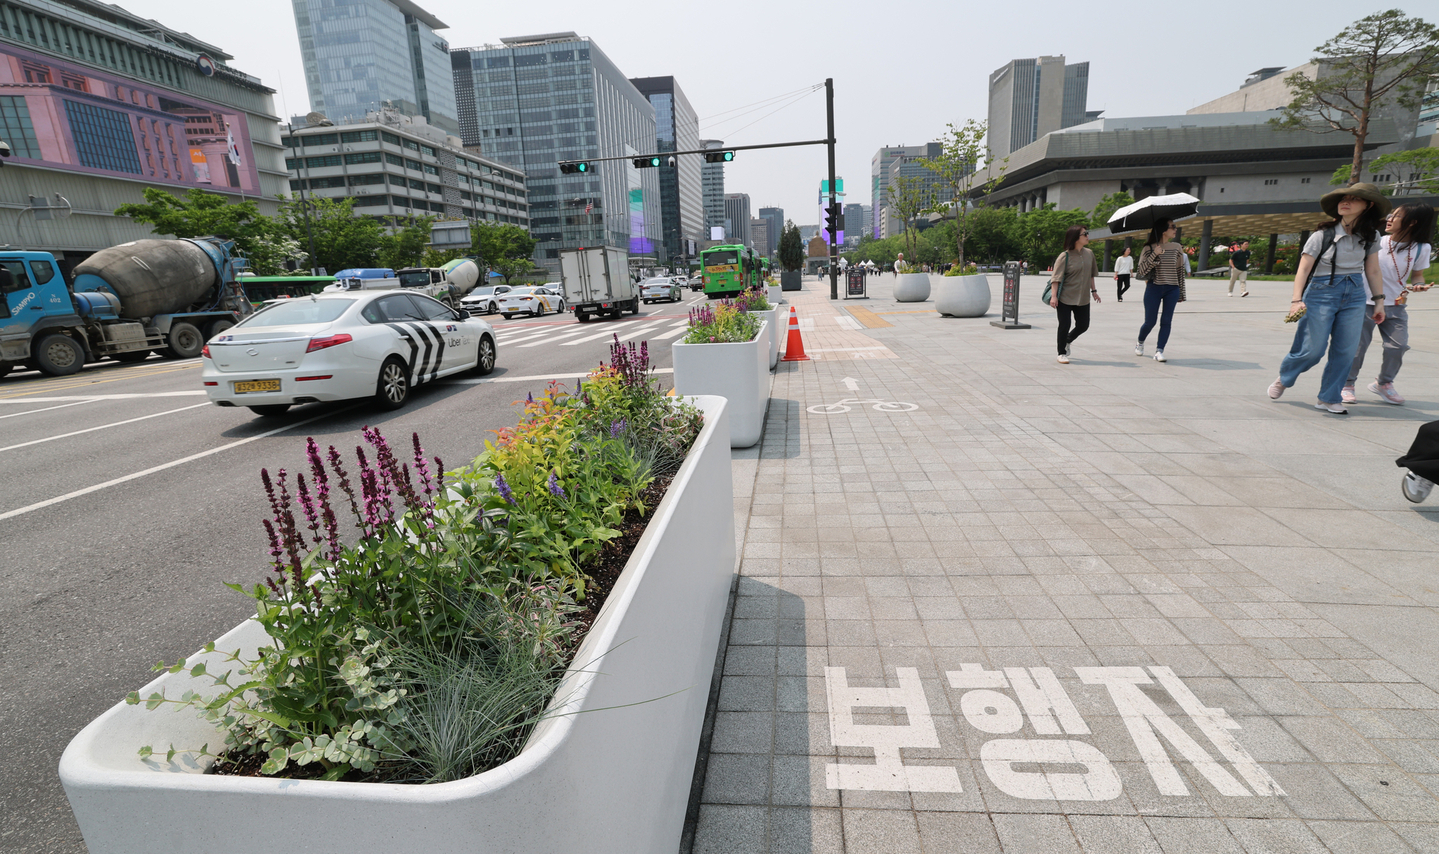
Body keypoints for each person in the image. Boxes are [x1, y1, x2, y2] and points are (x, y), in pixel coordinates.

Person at [1267, 184, 1389, 414]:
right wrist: (1296, 301)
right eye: (1344, 198)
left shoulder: (1371, 236)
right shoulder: (1322, 235)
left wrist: (1379, 301)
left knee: (1346, 350)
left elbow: (1373, 271)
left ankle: (1328, 397)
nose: (1346, 202)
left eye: (1354, 199)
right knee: (1313, 350)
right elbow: (1303, 270)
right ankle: (1285, 377)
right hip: (1321, 293)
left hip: (1354, 295)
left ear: (1368, 205)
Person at [1344, 202, 1434, 406]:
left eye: (1396, 216)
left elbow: (1417, 275)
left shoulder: (1422, 248)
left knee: (1398, 346)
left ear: (1412, 223)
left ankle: (1383, 384)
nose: (1389, 218)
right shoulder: (1377, 242)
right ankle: (1347, 384)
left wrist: (1419, 285)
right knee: (1358, 347)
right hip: (1366, 302)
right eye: (1390, 214)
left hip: (1395, 305)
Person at [1134, 219, 1186, 362]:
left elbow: (1180, 271)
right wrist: (1154, 254)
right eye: (1172, 227)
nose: (1175, 229)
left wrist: (1181, 292)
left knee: (1166, 321)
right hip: (1154, 288)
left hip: (1172, 288)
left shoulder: (1177, 247)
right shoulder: (1148, 248)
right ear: (1164, 230)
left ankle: (1159, 351)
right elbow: (1141, 271)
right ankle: (1140, 341)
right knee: (1150, 322)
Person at [1048, 224, 1100, 364]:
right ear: (1076, 237)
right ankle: (1061, 353)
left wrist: (1094, 291)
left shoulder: (1089, 254)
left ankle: (1067, 341)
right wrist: (1054, 296)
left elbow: (1091, 275)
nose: (1088, 236)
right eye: (1085, 234)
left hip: (1083, 297)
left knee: (1083, 325)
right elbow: (1056, 278)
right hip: (1065, 297)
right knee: (1064, 324)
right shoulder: (1064, 256)